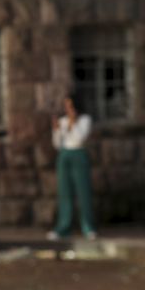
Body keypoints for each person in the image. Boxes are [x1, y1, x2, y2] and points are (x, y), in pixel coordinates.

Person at [47, 95, 97, 241]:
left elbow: (80, 138)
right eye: (66, 106)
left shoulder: (85, 120)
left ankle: (88, 227)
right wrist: (56, 130)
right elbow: (57, 144)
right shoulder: (62, 121)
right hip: (65, 156)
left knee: (84, 191)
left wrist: (73, 122)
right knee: (64, 192)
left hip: (79, 154)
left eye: (71, 106)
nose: (68, 109)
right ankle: (63, 227)